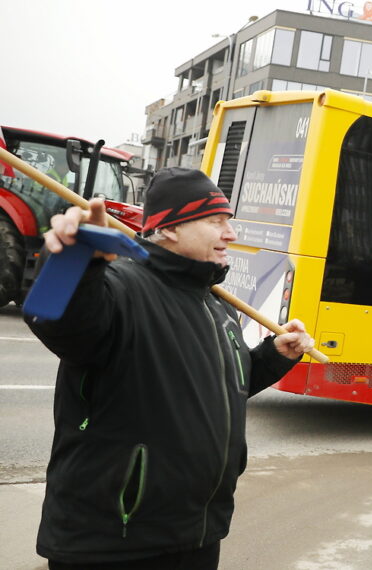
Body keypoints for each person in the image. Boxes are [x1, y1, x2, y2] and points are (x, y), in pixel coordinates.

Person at [25, 167, 315, 569]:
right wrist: (75, 262)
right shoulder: (120, 286)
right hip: (115, 541)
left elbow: (223, 385)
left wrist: (274, 356)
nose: (230, 234)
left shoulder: (215, 304)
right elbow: (61, 320)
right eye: (216, 222)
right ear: (172, 228)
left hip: (197, 533)